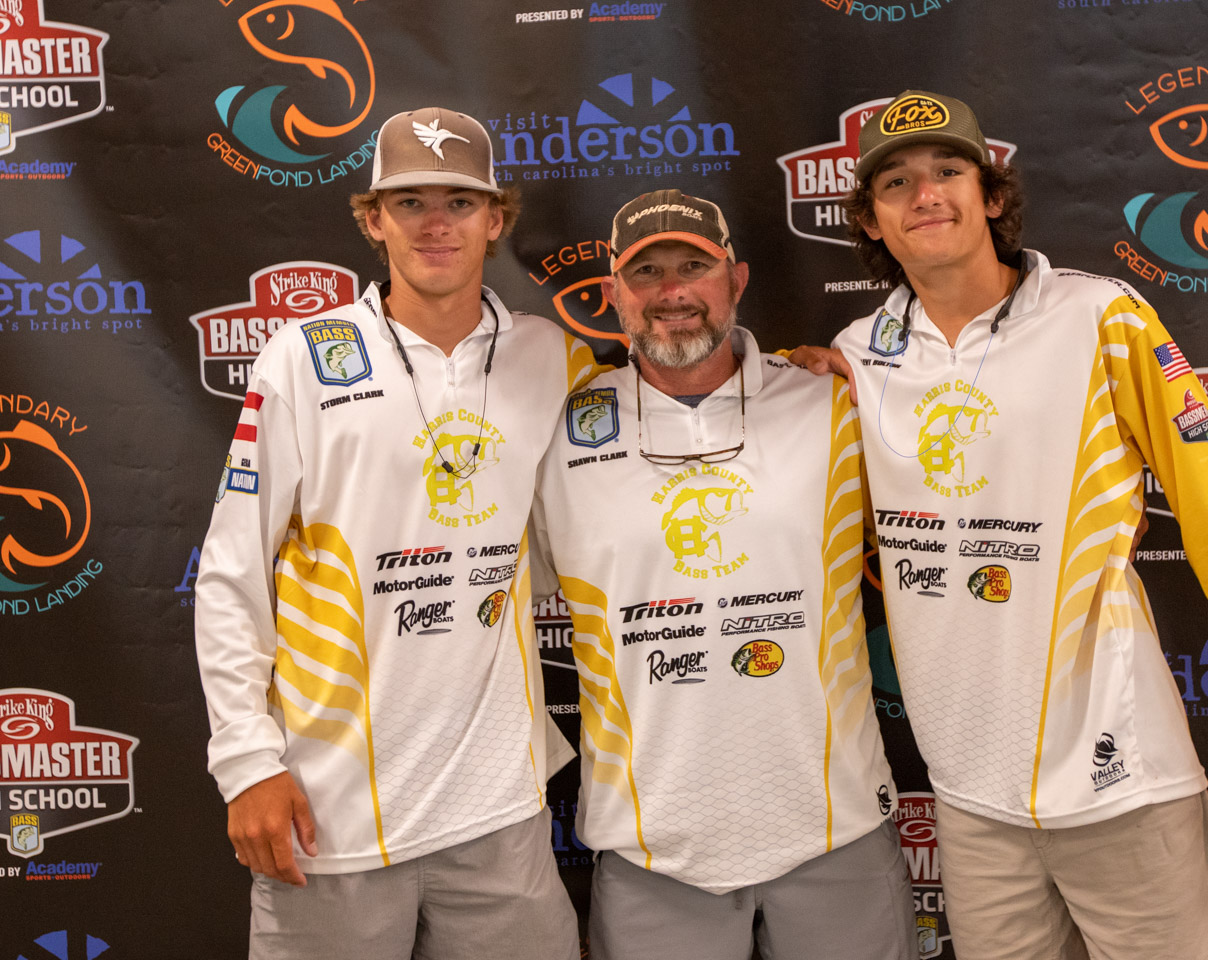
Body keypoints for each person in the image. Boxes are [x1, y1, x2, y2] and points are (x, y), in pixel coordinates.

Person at [788, 89, 1208, 960]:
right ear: (871, 221)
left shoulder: (1100, 317)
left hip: (1116, 770)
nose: (925, 194)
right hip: (967, 786)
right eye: (896, 182)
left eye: (948, 170)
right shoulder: (857, 354)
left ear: (992, 196)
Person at [194, 106, 595, 960]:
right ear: (373, 220)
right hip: (329, 814)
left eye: (460, 200)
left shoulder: (549, 357)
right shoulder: (303, 357)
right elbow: (231, 572)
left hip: (499, 814)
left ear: (496, 218)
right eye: (410, 201)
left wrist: (792, 374)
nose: (436, 223)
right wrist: (247, 763)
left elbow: (653, 439)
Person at [530, 189, 917, 960]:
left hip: (834, 826)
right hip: (651, 846)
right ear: (614, 296)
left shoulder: (835, 401)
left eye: (694, 267)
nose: (672, 291)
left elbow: (964, 507)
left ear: (737, 280)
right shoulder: (555, 431)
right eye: (646, 273)